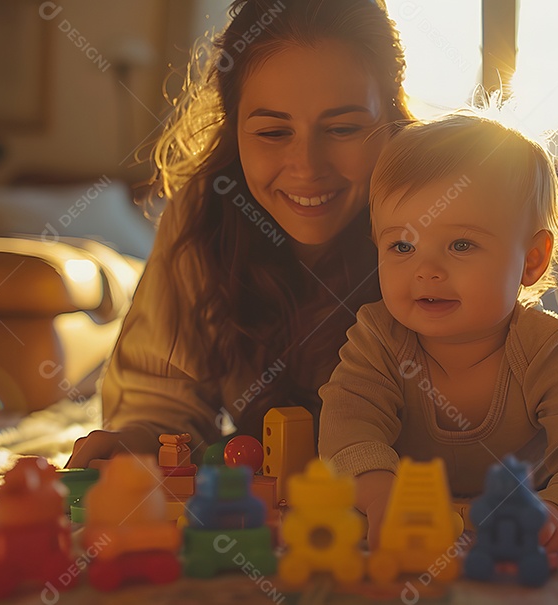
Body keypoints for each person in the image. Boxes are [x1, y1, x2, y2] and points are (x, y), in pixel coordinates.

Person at [66, 0, 414, 468]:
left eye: (344, 128)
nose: (307, 167)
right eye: (273, 132)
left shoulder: (448, 207)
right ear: (234, 131)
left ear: (393, 123)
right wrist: (143, 443)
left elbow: (524, 404)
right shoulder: (205, 213)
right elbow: (164, 401)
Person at [317, 114, 558, 555]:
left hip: (534, 477)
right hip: (435, 503)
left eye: (461, 245)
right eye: (403, 246)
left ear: (530, 260)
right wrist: (380, 497)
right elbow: (347, 423)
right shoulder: (379, 336)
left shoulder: (546, 345)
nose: (426, 270)